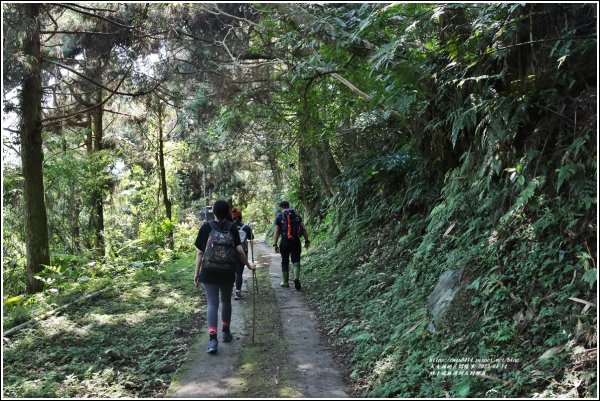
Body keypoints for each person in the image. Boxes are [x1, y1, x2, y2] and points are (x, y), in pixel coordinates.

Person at [194, 200, 255, 354]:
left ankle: (213, 341)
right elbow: (240, 251)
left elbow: (200, 252)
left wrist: (196, 273)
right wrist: (249, 265)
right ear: (227, 212)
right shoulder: (232, 227)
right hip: (227, 271)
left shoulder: (206, 227)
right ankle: (226, 333)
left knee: (212, 304)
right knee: (226, 301)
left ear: (213, 212)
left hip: (209, 271)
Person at [273, 201, 310, 290]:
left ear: (280, 208)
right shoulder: (296, 216)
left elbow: (277, 232)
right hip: (296, 241)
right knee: (296, 260)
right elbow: (303, 229)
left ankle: (285, 282)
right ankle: (296, 277)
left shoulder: (279, 217)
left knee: (285, 261)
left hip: (285, 242)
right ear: (288, 206)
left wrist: (275, 244)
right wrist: (306, 240)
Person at [231, 208, 254, 300]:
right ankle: (238, 292)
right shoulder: (246, 227)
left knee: (231, 272)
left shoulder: (229, 227)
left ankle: (228, 291)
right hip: (242, 252)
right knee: (239, 273)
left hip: (230, 252)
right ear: (241, 217)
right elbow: (251, 237)